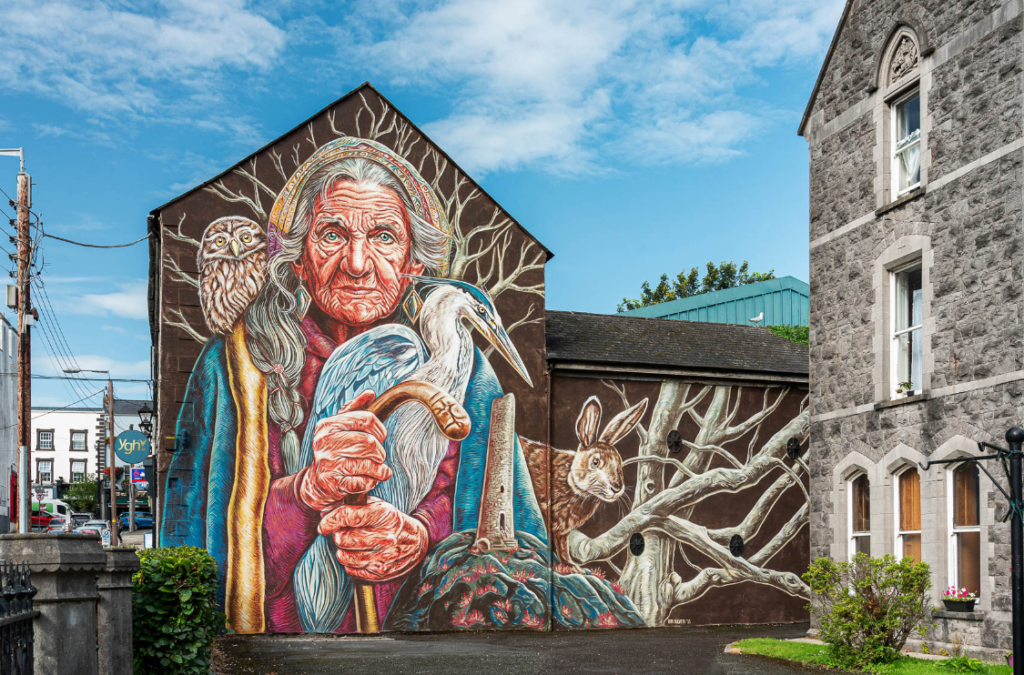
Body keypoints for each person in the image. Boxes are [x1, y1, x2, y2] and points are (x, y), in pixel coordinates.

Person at [161, 138, 546, 634]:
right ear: (299, 258)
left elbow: (486, 509)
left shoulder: (468, 375)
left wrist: (419, 535)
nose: (358, 263)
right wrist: (306, 491)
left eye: (384, 236)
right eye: (332, 235)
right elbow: (204, 537)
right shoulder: (236, 367)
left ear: (414, 264)